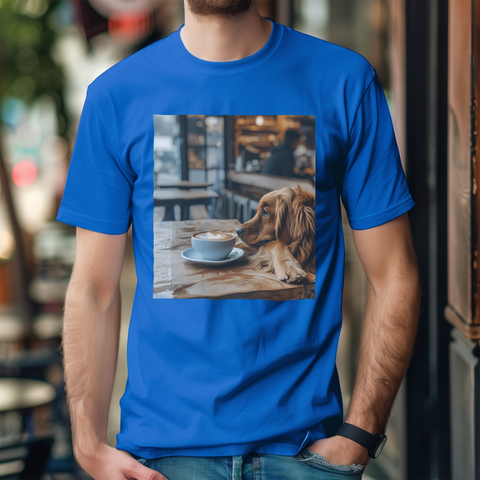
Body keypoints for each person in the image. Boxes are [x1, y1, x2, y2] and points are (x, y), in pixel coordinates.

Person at [56, 0, 421, 479]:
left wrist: (361, 432)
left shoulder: (345, 81)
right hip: (164, 458)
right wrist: (87, 444)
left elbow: (395, 275)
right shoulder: (116, 96)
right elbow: (93, 290)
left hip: (306, 454)